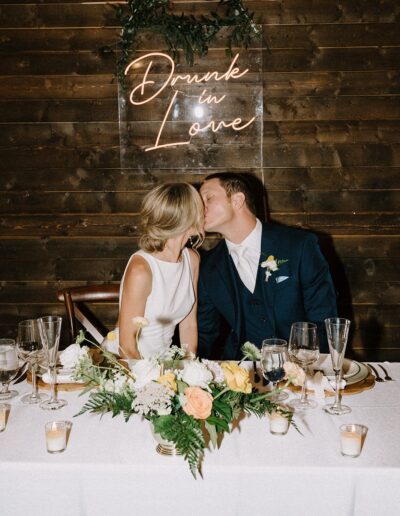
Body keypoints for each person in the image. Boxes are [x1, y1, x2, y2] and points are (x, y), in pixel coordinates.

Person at [197, 172, 337, 359]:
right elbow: (205, 334)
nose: (199, 208)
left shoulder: (299, 246)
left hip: (300, 366)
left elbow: (323, 318)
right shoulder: (208, 266)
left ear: (238, 200)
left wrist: (307, 368)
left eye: (208, 198)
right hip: (242, 371)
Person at [104, 183, 204, 359]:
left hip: (164, 364)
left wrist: (189, 368)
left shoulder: (192, 259)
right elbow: (127, 346)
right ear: (188, 218)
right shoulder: (141, 268)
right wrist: (149, 381)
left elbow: (189, 326)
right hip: (125, 364)